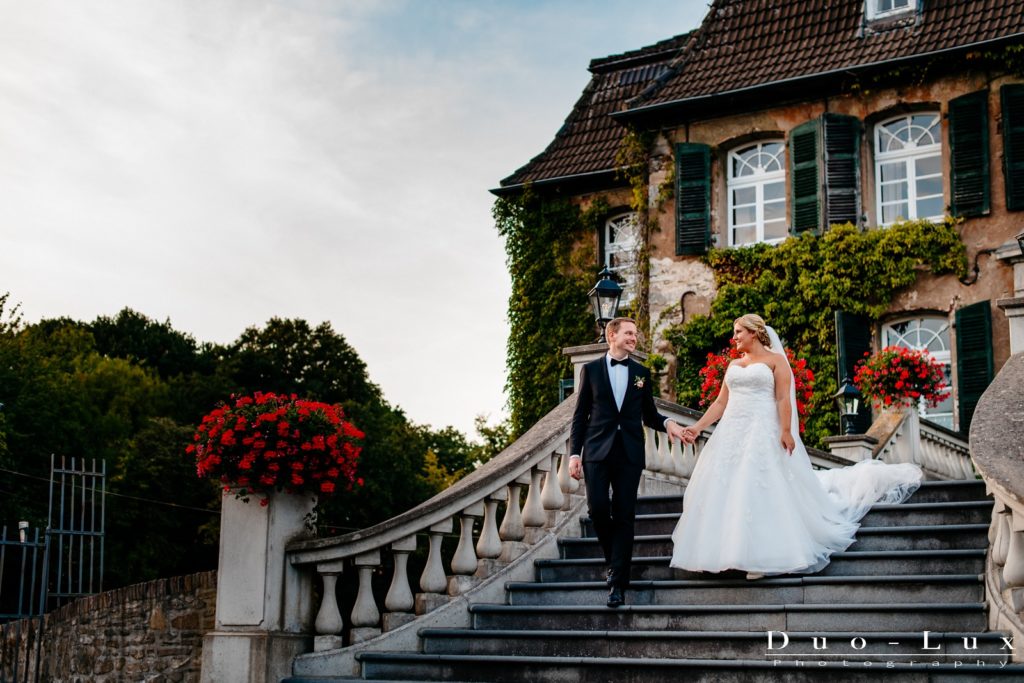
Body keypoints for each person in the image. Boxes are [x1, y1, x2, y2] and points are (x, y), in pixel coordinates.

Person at [670, 314, 922, 579]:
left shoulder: (776, 361)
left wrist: (786, 430)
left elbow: (782, 398)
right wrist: (698, 427)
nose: (734, 338)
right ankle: (724, 552)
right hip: (732, 431)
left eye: (738, 332)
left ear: (754, 332)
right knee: (726, 486)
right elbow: (721, 403)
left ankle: (760, 556)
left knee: (757, 484)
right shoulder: (733, 364)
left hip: (761, 429)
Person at [569, 317, 688, 607]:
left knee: (624, 515)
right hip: (596, 452)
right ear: (612, 335)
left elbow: (649, 414)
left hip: (630, 454)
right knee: (597, 509)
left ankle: (617, 583)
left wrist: (669, 423)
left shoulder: (641, 373)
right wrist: (575, 453)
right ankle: (615, 562)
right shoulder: (592, 370)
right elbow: (579, 415)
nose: (634, 338)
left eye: (635, 334)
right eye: (629, 333)